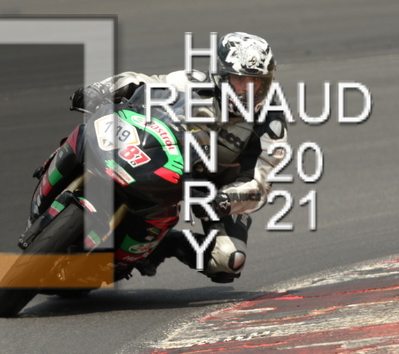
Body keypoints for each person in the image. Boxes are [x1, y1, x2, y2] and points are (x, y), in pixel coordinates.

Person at [67, 32, 288, 283]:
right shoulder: (195, 82)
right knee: (98, 129)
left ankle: (164, 244)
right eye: (239, 79)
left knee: (228, 260)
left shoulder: (271, 123)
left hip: (215, 188)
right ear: (222, 75)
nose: (246, 89)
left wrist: (223, 200)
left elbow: (260, 184)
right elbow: (144, 82)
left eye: (255, 81)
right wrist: (101, 89)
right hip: (168, 157)